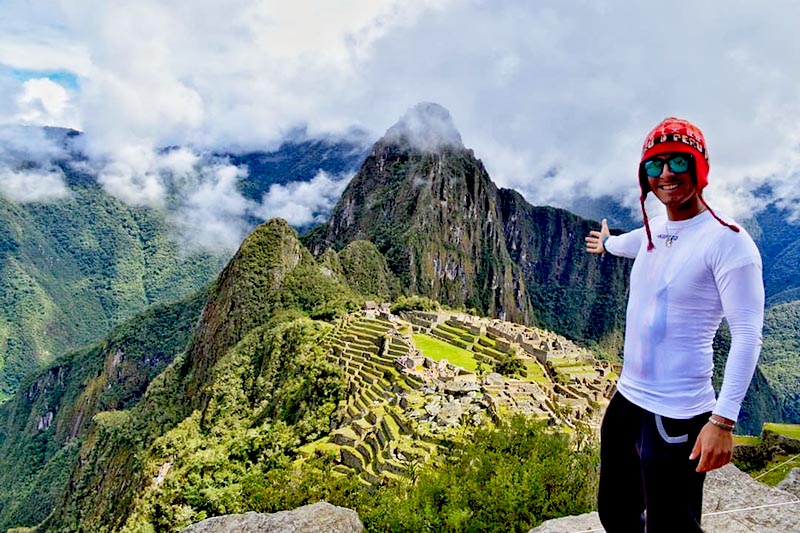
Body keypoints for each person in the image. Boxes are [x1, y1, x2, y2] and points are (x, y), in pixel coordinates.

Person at [584, 117, 764, 532]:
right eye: (655, 165)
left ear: (699, 168)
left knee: (672, 525)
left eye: (678, 163)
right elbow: (631, 244)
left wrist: (722, 421)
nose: (666, 174)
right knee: (616, 512)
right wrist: (605, 245)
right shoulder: (655, 231)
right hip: (627, 402)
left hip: (679, 414)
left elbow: (748, 336)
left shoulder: (729, 243)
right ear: (645, 176)